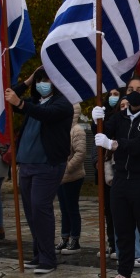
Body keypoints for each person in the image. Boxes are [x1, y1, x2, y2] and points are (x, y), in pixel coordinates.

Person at [94, 76, 140, 278]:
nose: (135, 92)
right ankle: (124, 273)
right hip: (121, 179)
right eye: (131, 88)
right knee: (122, 230)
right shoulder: (121, 116)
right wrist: (96, 119)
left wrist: (114, 144)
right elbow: (103, 131)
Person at [5, 67, 73, 274]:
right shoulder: (34, 102)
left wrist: (22, 104)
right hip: (26, 164)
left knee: (40, 207)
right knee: (31, 211)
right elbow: (9, 95)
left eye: (48, 80)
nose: (43, 83)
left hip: (48, 165)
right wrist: (26, 81)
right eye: (40, 80)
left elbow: (46, 114)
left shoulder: (63, 104)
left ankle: (48, 258)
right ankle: (38, 254)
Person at [56, 104, 86, 255]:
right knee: (63, 209)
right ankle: (64, 237)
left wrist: (66, 168)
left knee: (72, 208)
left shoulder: (77, 130)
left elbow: (80, 153)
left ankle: (75, 239)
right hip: (60, 177)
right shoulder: (60, 128)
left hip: (73, 176)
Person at [96, 88, 123, 260]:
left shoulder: (120, 118)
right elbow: (96, 139)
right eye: (111, 94)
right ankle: (111, 243)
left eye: (116, 94)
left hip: (118, 168)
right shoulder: (103, 115)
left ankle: (120, 245)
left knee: (119, 211)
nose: (113, 98)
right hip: (104, 169)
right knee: (107, 211)